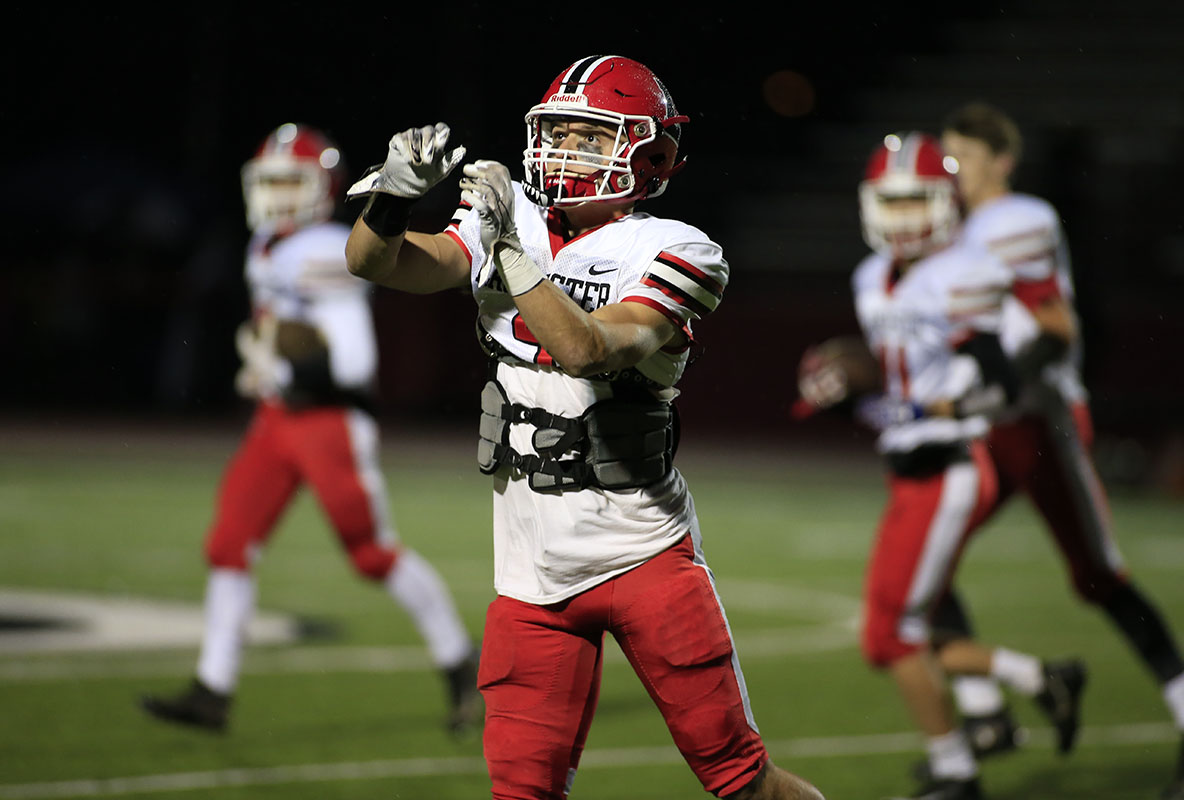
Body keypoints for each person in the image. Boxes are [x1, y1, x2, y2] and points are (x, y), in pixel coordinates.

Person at [343, 55, 825, 800]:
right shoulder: (517, 218)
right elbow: (382, 264)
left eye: (591, 137)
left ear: (649, 155)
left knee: (742, 783)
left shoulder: (677, 249)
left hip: (644, 556)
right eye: (558, 131)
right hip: (531, 571)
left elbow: (588, 350)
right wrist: (394, 200)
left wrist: (506, 251)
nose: (564, 148)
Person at [140, 122, 482, 735]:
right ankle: (212, 689)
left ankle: (461, 665)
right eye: (267, 181)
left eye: (287, 182)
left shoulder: (326, 247)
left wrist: (285, 361)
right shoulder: (267, 245)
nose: (274, 194)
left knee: (371, 554)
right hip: (277, 419)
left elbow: (349, 359)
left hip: (327, 419)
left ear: (320, 189)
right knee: (229, 543)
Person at [796, 131, 1087, 800]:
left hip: (951, 463)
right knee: (890, 632)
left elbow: (1000, 380)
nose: (901, 218)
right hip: (908, 463)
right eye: (889, 203)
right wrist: (848, 388)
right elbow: (894, 380)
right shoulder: (870, 276)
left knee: (890, 635)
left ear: (944, 204)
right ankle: (1036, 682)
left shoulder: (965, 273)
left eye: (913, 202)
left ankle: (958, 768)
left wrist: (954, 400)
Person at [931, 101, 1184, 800]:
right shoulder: (959, 229)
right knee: (922, 569)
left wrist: (993, 385)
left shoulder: (1017, 219)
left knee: (1100, 576)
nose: (952, 172)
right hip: (989, 427)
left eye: (963, 158)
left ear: (1001, 161)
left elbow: (1052, 326)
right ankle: (987, 717)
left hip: (1040, 421)